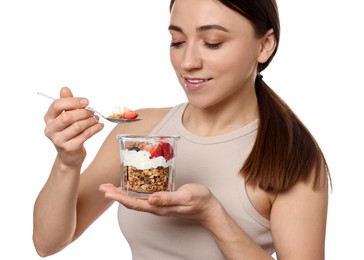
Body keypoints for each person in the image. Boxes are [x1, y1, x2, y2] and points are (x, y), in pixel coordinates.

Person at [33, 0, 331, 259]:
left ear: (265, 45)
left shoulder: (291, 157)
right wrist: (67, 161)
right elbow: (47, 243)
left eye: (212, 42)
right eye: (177, 41)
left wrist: (213, 216)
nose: (187, 62)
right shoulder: (143, 131)